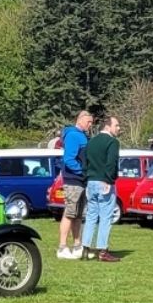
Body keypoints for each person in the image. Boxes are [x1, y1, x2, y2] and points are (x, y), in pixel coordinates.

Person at [81, 115, 122, 262]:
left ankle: (85, 249)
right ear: (107, 126)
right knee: (105, 217)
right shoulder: (112, 142)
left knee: (91, 216)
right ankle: (102, 251)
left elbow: (84, 162)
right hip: (104, 182)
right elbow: (111, 163)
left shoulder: (90, 142)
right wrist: (109, 180)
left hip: (91, 182)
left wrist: (87, 178)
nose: (119, 128)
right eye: (116, 125)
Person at [57, 110, 93, 260]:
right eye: (88, 121)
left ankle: (77, 246)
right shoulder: (73, 135)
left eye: (91, 122)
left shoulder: (84, 136)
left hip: (82, 180)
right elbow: (69, 159)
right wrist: (82, 171)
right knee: (70, 213)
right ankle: (62, 247)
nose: (90, 125)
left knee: (78, 215)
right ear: (79, 120)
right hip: (73, 180)